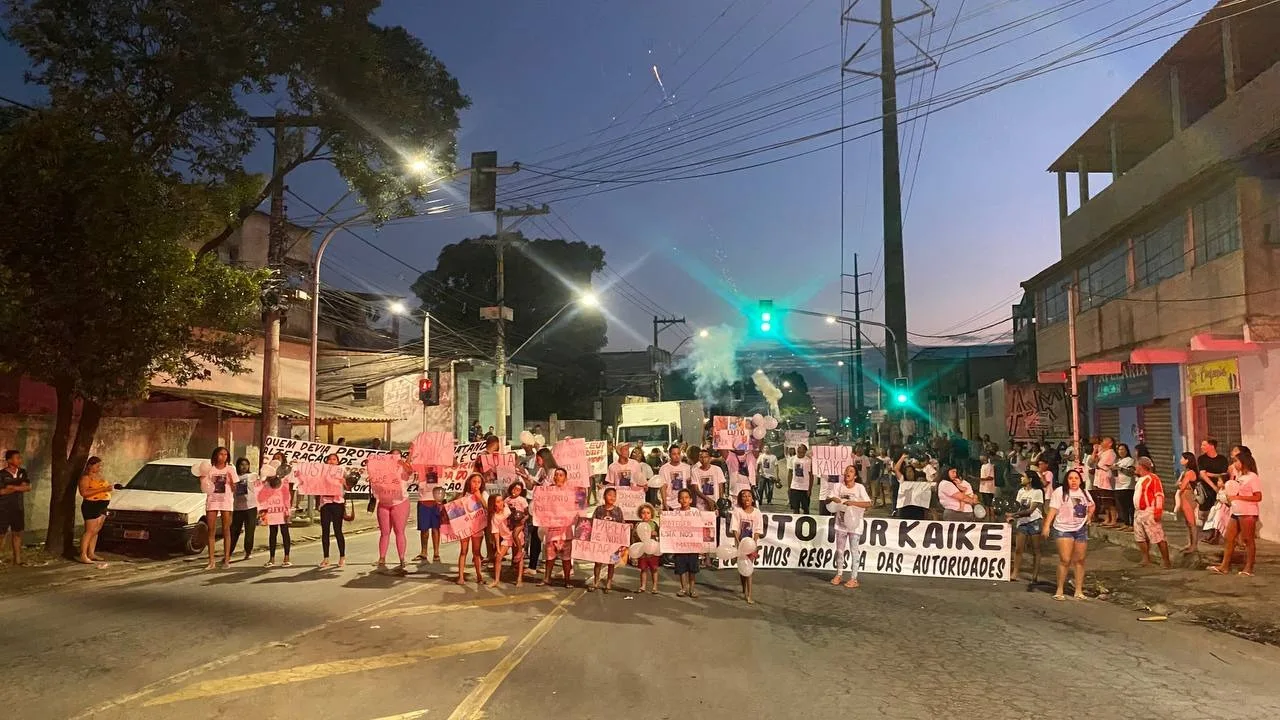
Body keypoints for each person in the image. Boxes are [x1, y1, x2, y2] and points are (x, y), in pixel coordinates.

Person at [1041, 469, 1095, 601]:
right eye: (1070, 478)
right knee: (1065, 559)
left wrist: (1089, 516)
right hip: (1063, 529)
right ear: (1066, 480)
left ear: (1080, 480)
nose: (1074, 481)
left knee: (1080, 560)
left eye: (1076, 478)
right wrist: (1047, 525)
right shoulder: (1060, 492)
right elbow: (1053, 509)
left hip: (1080, 529)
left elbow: (1092, 505)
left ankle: (1078, 590)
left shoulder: (1084, 492)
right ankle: (1059, 589)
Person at [1211, 451, 1263, 576]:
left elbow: (1258, 497)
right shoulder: (1239, 476)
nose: (1234, 464)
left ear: (1244, 462)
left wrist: (1238, 498)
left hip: (1248, 512)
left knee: (1248, 539)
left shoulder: (1252, 477)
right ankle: (1224, 566)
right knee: (1229, 538)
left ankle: (1249, 568)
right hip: (1236, 511)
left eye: (1236, 461)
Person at [830, 465, 871, 589]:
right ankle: (839, 574)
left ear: (855, 476)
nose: (848, 472)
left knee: (854, 551)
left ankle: (854, 578)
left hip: (855, 525)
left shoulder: (859, 488)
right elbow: (829, 499)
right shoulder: (838, 486)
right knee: (840, 551)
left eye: (851, 471)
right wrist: (833, 499)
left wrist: (852, 503)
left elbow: (868, 503)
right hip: (841, 524)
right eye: (847, 470)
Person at [371, 452, 414, 574]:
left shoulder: (403, 468)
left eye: (398, 456)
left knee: (399, 531)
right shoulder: (383, 469)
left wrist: (404, 462)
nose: (395, 458)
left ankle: (401, 558)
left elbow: (410, 471)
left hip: (400, 503)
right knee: (384, 533)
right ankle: (382, 558)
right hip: (384, 503)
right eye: (393, 455)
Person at [539, 467, 575, 588]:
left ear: (565, 478)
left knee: (566, 559)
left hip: (566, 531)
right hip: (552, 530)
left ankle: (567, 580)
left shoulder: (571, 492)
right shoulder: (547, 491)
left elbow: (579, 507)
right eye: (556, 475)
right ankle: (547, 578)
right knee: (550, 558)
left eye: (560, 475)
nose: (557, 477)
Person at [201, 447, 237, 570]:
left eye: (225, 454)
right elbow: (204, 486)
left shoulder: (230, 469)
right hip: (212, 500)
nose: (223, 457)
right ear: (215, 455)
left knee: (226, 530)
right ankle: (211, 561)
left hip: (226, 501)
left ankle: (227, 559)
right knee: (211, 530)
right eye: (221, 454)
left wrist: (232, 482)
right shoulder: (209, 469)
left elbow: (235, 489)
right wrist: (201, 479)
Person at [1006, 471, 1044, 583]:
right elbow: (1017, 507)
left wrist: (1012, 515)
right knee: (1018, 549)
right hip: (1022, 522)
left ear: (1030, 479)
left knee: (1035, 549)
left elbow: (1030, 511)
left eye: (1024, 477)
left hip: (1034, 521)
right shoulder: (1021, 491)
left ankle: (1035, 575)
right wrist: (1012, 516)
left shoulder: (1037, 492)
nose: (1021, 479)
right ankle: (1015, 573)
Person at [1133, 457, 1171, 569]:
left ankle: (1166, 560)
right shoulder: (1140, 479)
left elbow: (1159, 495)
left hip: (1149, 511)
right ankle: (1145, 558)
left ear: (1141, 466)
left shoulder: (1153, 478)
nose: (1135, 467)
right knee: (1140, 537)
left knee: (1158, 536)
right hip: (1138, 512)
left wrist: (1158, 511)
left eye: (1136, 465)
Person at [729, 488, 766, 603]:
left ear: (752, 499)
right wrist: (738, 542)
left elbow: (758, 529)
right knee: (741, 568)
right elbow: (735, 528)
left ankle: (749, 595)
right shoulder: (737, 511)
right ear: (740, 499)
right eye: (744, 496)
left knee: (749, 569)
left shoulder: (757, 512)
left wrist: (753, 543)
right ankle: (744, 589)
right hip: (740, 544)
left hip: (751, 545)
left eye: (749, 496)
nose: (746, 498)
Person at [77, 456, 112, 568]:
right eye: (97, 466)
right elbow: (84, 492)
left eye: (100, 466)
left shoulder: (99, 477)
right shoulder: (86, 478)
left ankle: (91, 553)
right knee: (89, 530)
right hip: (91, 505)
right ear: (90, 466)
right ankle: (83, 554)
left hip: (103, 505)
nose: (99, 468)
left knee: (97, 530)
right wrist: (103, 489)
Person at [588, 487, 625, 593]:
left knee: (611, 563)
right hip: (600, 542)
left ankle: (608, 583)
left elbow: (622, 525)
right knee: (598, 563)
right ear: (604, 496)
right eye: (609, 495)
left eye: (614, 496)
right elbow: (593, 523)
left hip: (613, 543)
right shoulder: (599, 509)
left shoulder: (618, 510)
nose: (612, 497)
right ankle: (596, 581)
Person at [527, 447, 558, 571]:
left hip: (551, 510)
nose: (537, 461)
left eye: (538, 459)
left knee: (549, 538)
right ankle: (533, 565)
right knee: (536, 535)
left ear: (544, 459)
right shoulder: (542, 472)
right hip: (541, 509)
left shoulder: (554, 472)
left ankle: (541, 565)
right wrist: (525, 475)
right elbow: (532, 486)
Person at [671, 488, 704, 598]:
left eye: (686, 497)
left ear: (690, 500)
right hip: (680, 545)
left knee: (692, 568)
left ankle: (692, 589)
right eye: (681, 498)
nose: (684, 500)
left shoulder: (695, 511)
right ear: (678, 500)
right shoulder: (675, 512)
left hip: (692, 545)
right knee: (681, 568)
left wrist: (714, 515)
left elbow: (704, 522)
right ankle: (683, 588)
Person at [456, 472, 488, 585]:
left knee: (476, 552)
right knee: (463, 551)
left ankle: (479, 576)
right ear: (469, 482)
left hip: (477, 527)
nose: (476, 484)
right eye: (474, 481)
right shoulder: (463, 495)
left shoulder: (483, 494)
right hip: (465, 527)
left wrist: (479, 498)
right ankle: (460, 576)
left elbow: (488, 508)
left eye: (479, 482)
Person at [317, 453, 348, 569]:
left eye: (334, 459)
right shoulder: (321, 472)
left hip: (337, 503)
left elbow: (348, 486)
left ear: (338, 461)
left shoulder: (341, 471)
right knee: (325, 531)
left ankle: (342, 557)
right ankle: (326, 558)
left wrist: (343, 480)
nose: (331, 461)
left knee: (337, 530)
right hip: (325, 503)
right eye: (329, 459)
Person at [0, 450, 30, 566]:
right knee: (1, 534)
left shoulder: (22, 472)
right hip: (3, 508)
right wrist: (19, 486)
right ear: (9, 460)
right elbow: (2, 491)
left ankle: (17, 560)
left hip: (18, 508)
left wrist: (13, 487)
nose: (20, 460)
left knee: (17, 533)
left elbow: (27, 487)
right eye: (17, 458)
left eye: (20, 458)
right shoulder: (2, 474)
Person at [227, 457, 257, 563]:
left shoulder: (252, 476)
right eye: (241, 464)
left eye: (246, 464)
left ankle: (248, 552)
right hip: (237, 508)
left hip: (251, 508)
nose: (244, 467)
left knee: (249, 531)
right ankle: (228, 554)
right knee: (234, 532)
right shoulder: (234, 477)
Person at [260, 469, 293, 568]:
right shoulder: (266, 484)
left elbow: (287, 497)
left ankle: (286, 557)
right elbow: (262, 497)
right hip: (272, 511)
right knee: (272, 533)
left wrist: (288, 510)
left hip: (282, 511)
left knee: (285, 533)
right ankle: (272, 558)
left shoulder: (283, 482)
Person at [1175, 453, 1205, 554]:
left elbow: (1181, 486)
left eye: (1182, 458)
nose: (1180, 459)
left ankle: (1194, 546)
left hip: (1188, 498)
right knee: (1187, 523)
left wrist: (1180, 483)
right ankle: (1190, 543)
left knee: (1192, 523)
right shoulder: (1185, 472)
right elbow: (1179, 484)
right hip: (1184, 497)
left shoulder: (1190, 473)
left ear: (1187, 460)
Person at [503, 481, 529, 587]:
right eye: (514, 489)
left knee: (516, 537)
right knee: (512, 548)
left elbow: (527, 514)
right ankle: (514, 567)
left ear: (521, 491)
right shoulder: (507, 500)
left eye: (518, 490)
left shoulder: (522, 500)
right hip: (510, 525)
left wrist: (524, 519)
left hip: (519, 525)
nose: (515, 491)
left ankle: (519, 578)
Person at [634, 503, 660, 594]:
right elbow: (635, 537)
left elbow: (660, 535)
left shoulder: (654, 524)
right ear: (640, 514)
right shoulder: (638, 524)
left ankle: (655, 586)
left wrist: (655, 534)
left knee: (654, 569)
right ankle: (643, 586)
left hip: (653, 550)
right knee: (643, 569)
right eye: (643, 513)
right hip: (642, 551)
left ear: (651, 514)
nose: (645, 515)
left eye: (648, 513)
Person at [487, 492, 512, 587]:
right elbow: (496, 534)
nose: (501, 503)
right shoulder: (494, 517)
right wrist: (497, 547)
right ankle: (496, 580)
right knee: (498, 557)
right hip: (506, 538)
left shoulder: (507, 509)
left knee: (519, 557)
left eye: (501, 500)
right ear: (493, 504)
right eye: (498, 501)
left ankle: (519, 579)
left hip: (516, 536)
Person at [658, 445, 693, 511]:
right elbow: (663, 487)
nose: (677, 456)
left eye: (678, 453)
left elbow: (689, 486)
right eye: (674, 454)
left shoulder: (687, 467)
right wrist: (664, 503)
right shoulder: (664, 468)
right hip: (669, 504)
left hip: (684, 504)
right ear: (670, 455)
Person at [1113, 443, 1136, 532]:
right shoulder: (1118, 461)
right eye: (1119, 450)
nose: (1121, 451)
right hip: (1118, 486)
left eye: (1123, 449)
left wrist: (1119, 468)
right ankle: (1126, 523)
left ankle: (1132, 524)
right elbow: (1115, 474)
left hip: (1128, 486)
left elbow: (1130, 472)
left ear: (1127, 451)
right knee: (1123, 506)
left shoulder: (1130, 460)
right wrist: (1113, 469)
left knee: (1130, 506)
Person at [787, 444, 813, 514]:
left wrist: (809, 489)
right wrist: (789, 487)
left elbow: (811, 476)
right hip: (794, 487)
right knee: (795, 508)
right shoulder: (792, 459)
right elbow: (790, 473)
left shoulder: (808, 461)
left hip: (805, 488)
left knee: (806, 508)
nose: (800, 454)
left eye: (802, 452)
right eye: (799, 452)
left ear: (805, 452)